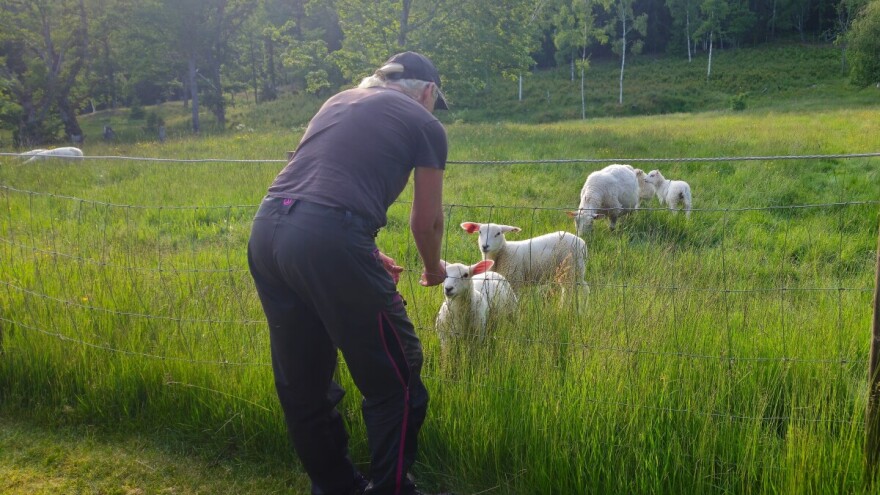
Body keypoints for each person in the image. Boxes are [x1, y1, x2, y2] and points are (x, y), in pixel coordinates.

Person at [247, 51, 449, 495]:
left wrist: (364, 251)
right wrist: (434, 269)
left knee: (304, 382)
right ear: (428, 92)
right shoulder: (425, 123)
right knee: (397, 372)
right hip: (326, 238)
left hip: (267, 232)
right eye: (437, 101)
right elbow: (427, 222)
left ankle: (335, 487)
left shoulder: (338, 101)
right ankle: (392, 488)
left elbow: (315, 185)